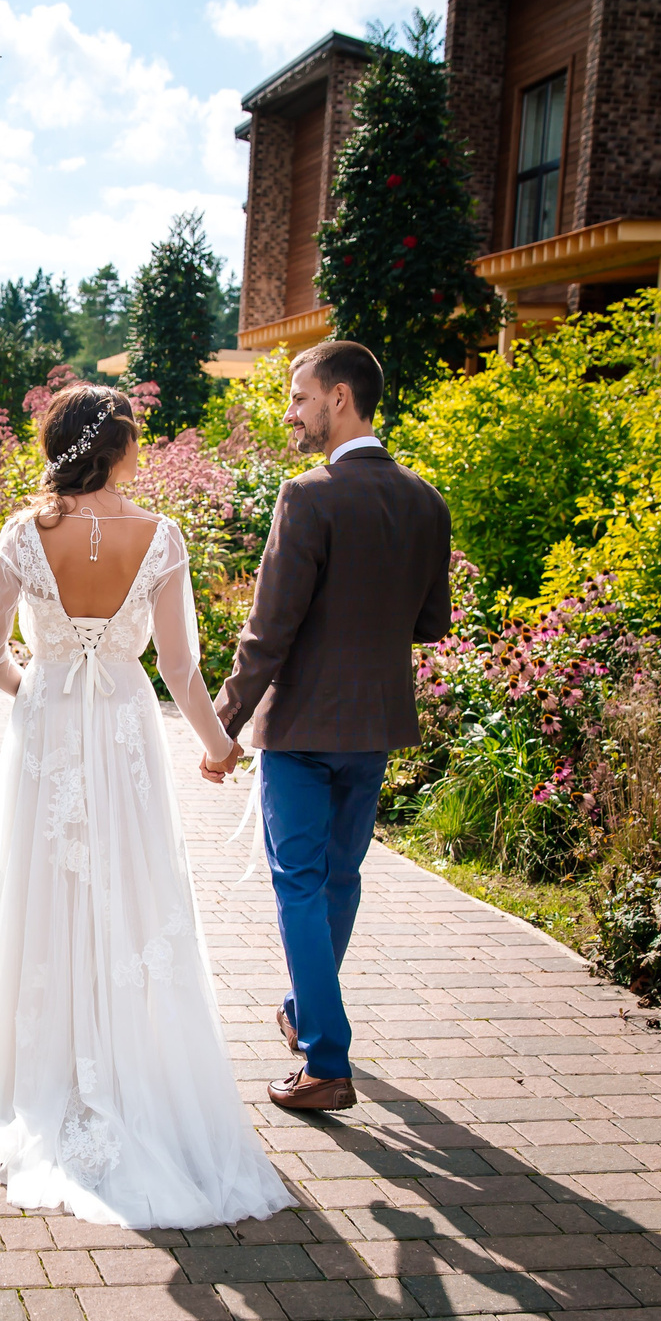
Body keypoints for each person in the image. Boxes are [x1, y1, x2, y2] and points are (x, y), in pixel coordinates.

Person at [0, 384, 293, 1230]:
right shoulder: (160, 537)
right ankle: (127, 1071)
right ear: (121, 447)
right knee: (130, 896)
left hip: (46, 746)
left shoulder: (24, 532)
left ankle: (37, 1078)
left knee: (41, 897)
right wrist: (218, 745)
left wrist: (38, 695)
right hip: (125, 744)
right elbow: (181, 669)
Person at [203, 340, 454, 1114]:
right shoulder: (427, 500)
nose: (291, 411)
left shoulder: (307, 495)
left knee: (299, 886)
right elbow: (431, 622)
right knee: (339, 879)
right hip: (375, 726)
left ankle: (325, 1060)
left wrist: (223, 723)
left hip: (305, 729)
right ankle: (307, 1015)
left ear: (340, 398)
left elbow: (267, 628)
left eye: (299, 395)